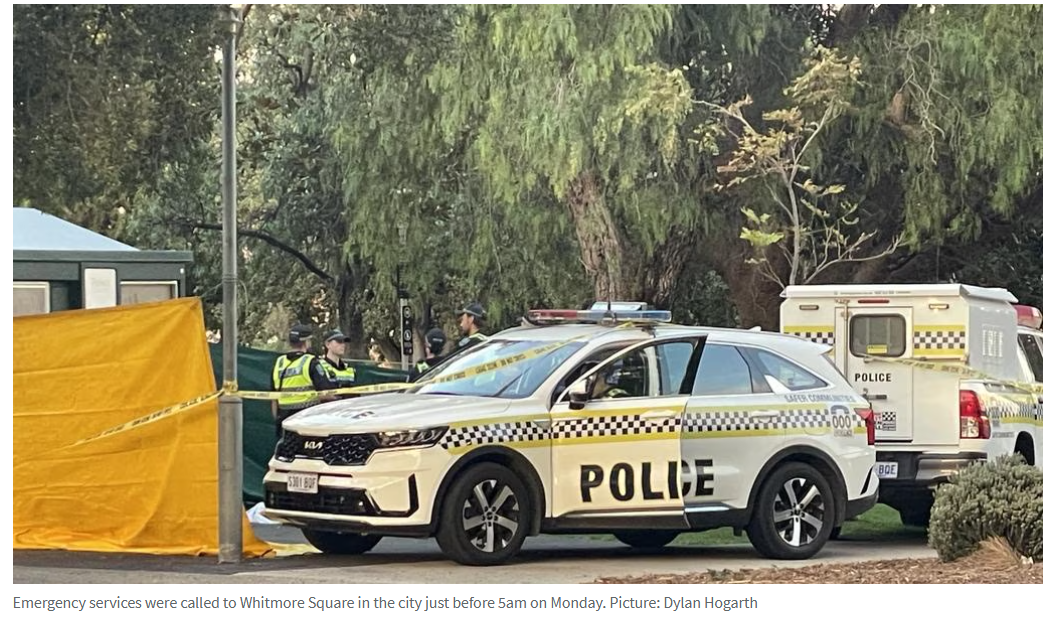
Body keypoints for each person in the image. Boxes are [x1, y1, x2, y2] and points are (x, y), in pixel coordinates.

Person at [271, 324, 336, 437]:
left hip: (285, 420)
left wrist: (278, 419)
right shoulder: (311, 362)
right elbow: (326, 393)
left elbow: (273, 398)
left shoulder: (279, 363)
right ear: (306, 342)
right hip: (307, 418)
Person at [320, 329, 357, 393]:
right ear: (327, 344)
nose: (343, 345)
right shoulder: (319, 367)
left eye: (344, 341)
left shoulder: (350, 368)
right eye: (339, 341)